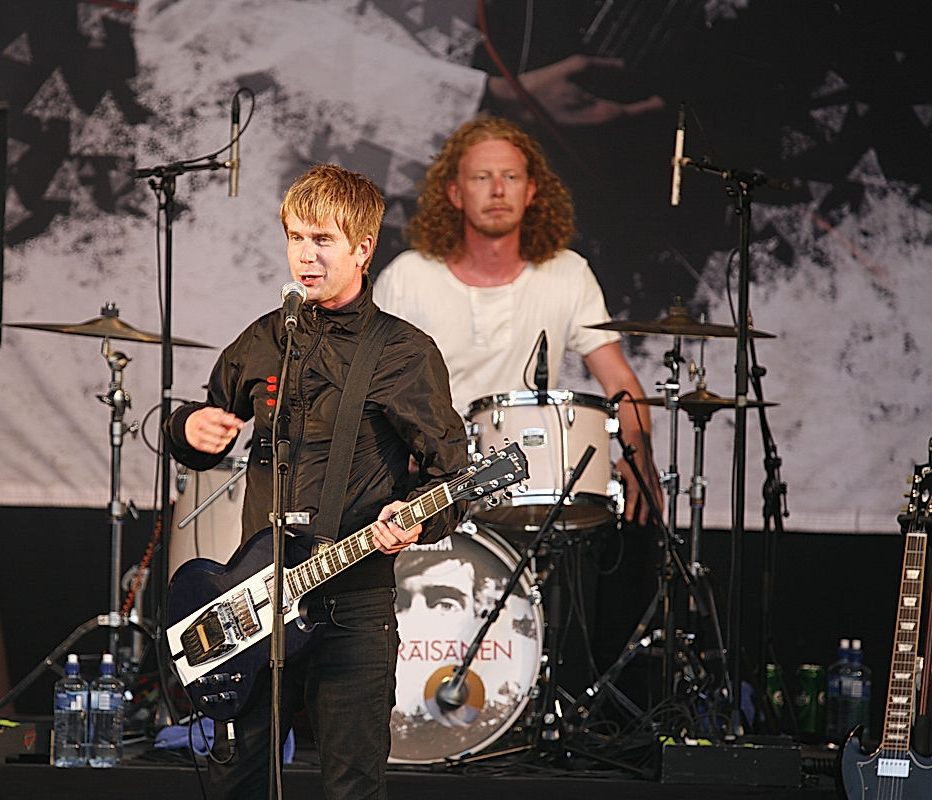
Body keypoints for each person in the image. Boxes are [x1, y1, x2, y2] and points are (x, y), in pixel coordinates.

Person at [165, 164, 469, 799]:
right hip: (252, 601)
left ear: (362, 247)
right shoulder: (266, 337)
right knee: (236, 781)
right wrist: (189, 428)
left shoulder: (403, 353)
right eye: (296, 238)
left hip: (351, 606)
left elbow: (455, 481)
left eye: (323, 240)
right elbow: (202, 421)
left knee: (351, 786)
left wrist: (412, 518)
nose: (305, 256)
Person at [374, 116, 661, 525]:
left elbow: (620, 384)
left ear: (531, 191)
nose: (497, 190)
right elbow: (369, 386)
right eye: (481, 177)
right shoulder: (408, 276)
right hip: (427, 492)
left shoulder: (567, 272)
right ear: (454, 193)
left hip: (533, 486)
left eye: (510, 176)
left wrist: (639, 455)